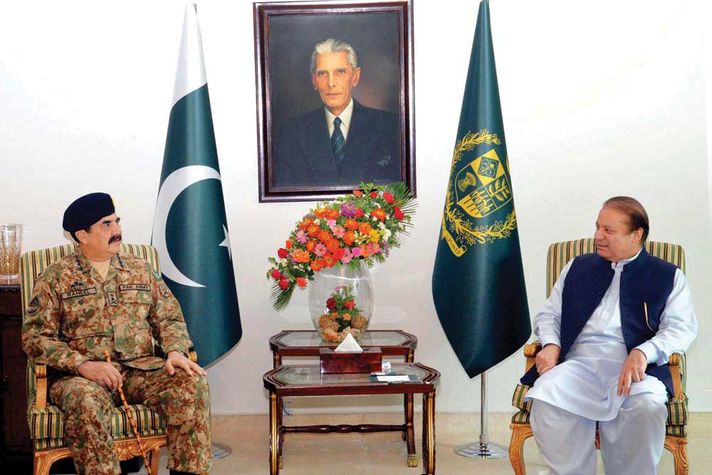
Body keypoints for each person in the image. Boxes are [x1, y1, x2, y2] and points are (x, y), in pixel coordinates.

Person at [22, 192, 211, 475]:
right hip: (81, 378)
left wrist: (175, 351)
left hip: (140, 370)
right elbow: (35, 337)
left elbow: (169, 316)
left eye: (117, 222)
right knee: (84, 401)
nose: (117, 231)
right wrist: (82, 365)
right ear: (81, 235)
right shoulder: (56, 278)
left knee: (189, 383)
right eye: (106, 225)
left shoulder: (140, 269)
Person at [520, 196, 698, 475]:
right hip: (578, 364)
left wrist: (644, 352)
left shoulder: (667, 276)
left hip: (635, 370)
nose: (598, 236)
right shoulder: (577, 267)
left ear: (636, 234)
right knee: (546, 398)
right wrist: (552, 344)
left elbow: (681, 328)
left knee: (647, 405)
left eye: (608, 230)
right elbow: (549, 315)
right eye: (597, 227)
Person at [274, 38, 401, 188]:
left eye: (340, 72)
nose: (331, 83)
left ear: (355, 76)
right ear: (314, 80)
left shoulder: (390, 126)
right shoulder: (291, 133)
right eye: (322, 74)